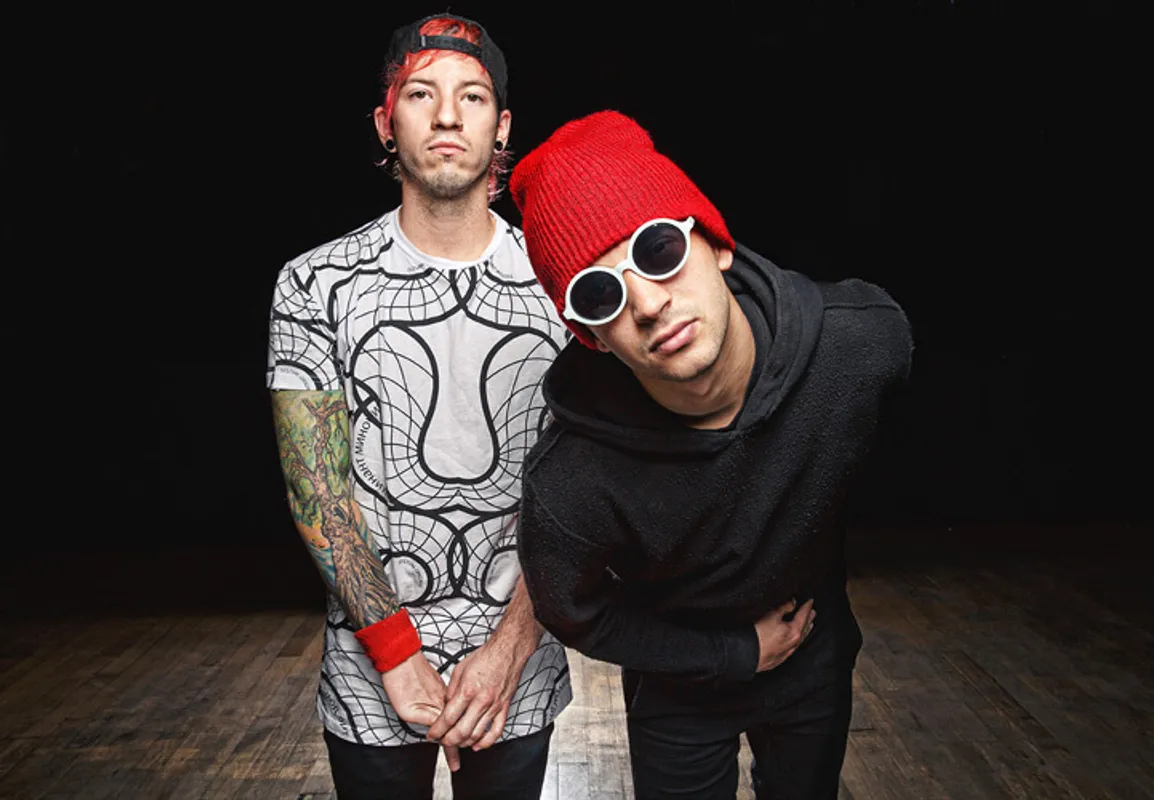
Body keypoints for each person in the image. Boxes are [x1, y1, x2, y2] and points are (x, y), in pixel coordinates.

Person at [509, 111, 913, 799]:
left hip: (812, 652)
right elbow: (572, 611)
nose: (648, 303)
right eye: (600, 293)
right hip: (680, 684)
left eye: (658, 249)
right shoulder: (571, 481)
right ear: (593, 337)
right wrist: (730, 653)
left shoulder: (860, 346)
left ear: (716, 243)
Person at [266, 14, 572, 799]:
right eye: (421, 94)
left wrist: (510, 649)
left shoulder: (563, 284)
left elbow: (588, 489)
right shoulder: (314, 284)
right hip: (370, 675)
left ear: (502, 127)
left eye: (472, 97)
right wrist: (397, 656)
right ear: (385, 123)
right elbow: (318, 490)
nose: (446, 116)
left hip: (517, 667)